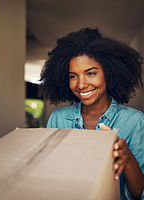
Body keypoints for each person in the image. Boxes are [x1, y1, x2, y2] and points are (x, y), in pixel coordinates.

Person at [40, 27, 144, 200]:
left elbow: (139, 194)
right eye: (73, 76)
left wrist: (127, 157)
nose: (81, 85)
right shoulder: (58, 118)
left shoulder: (135, 122)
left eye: (91, 73)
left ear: (109, 73)